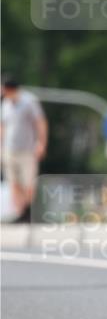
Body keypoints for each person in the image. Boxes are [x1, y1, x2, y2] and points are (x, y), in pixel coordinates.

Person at [0, 74, 48, 223]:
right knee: (13, 182)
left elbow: (40, 122)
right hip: (9, 150)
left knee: (28, 183)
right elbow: (3, 126)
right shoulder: (5, 104)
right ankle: (20, 212)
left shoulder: (29, 101)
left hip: (27, 150)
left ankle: (28, 210)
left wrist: (41, 143)